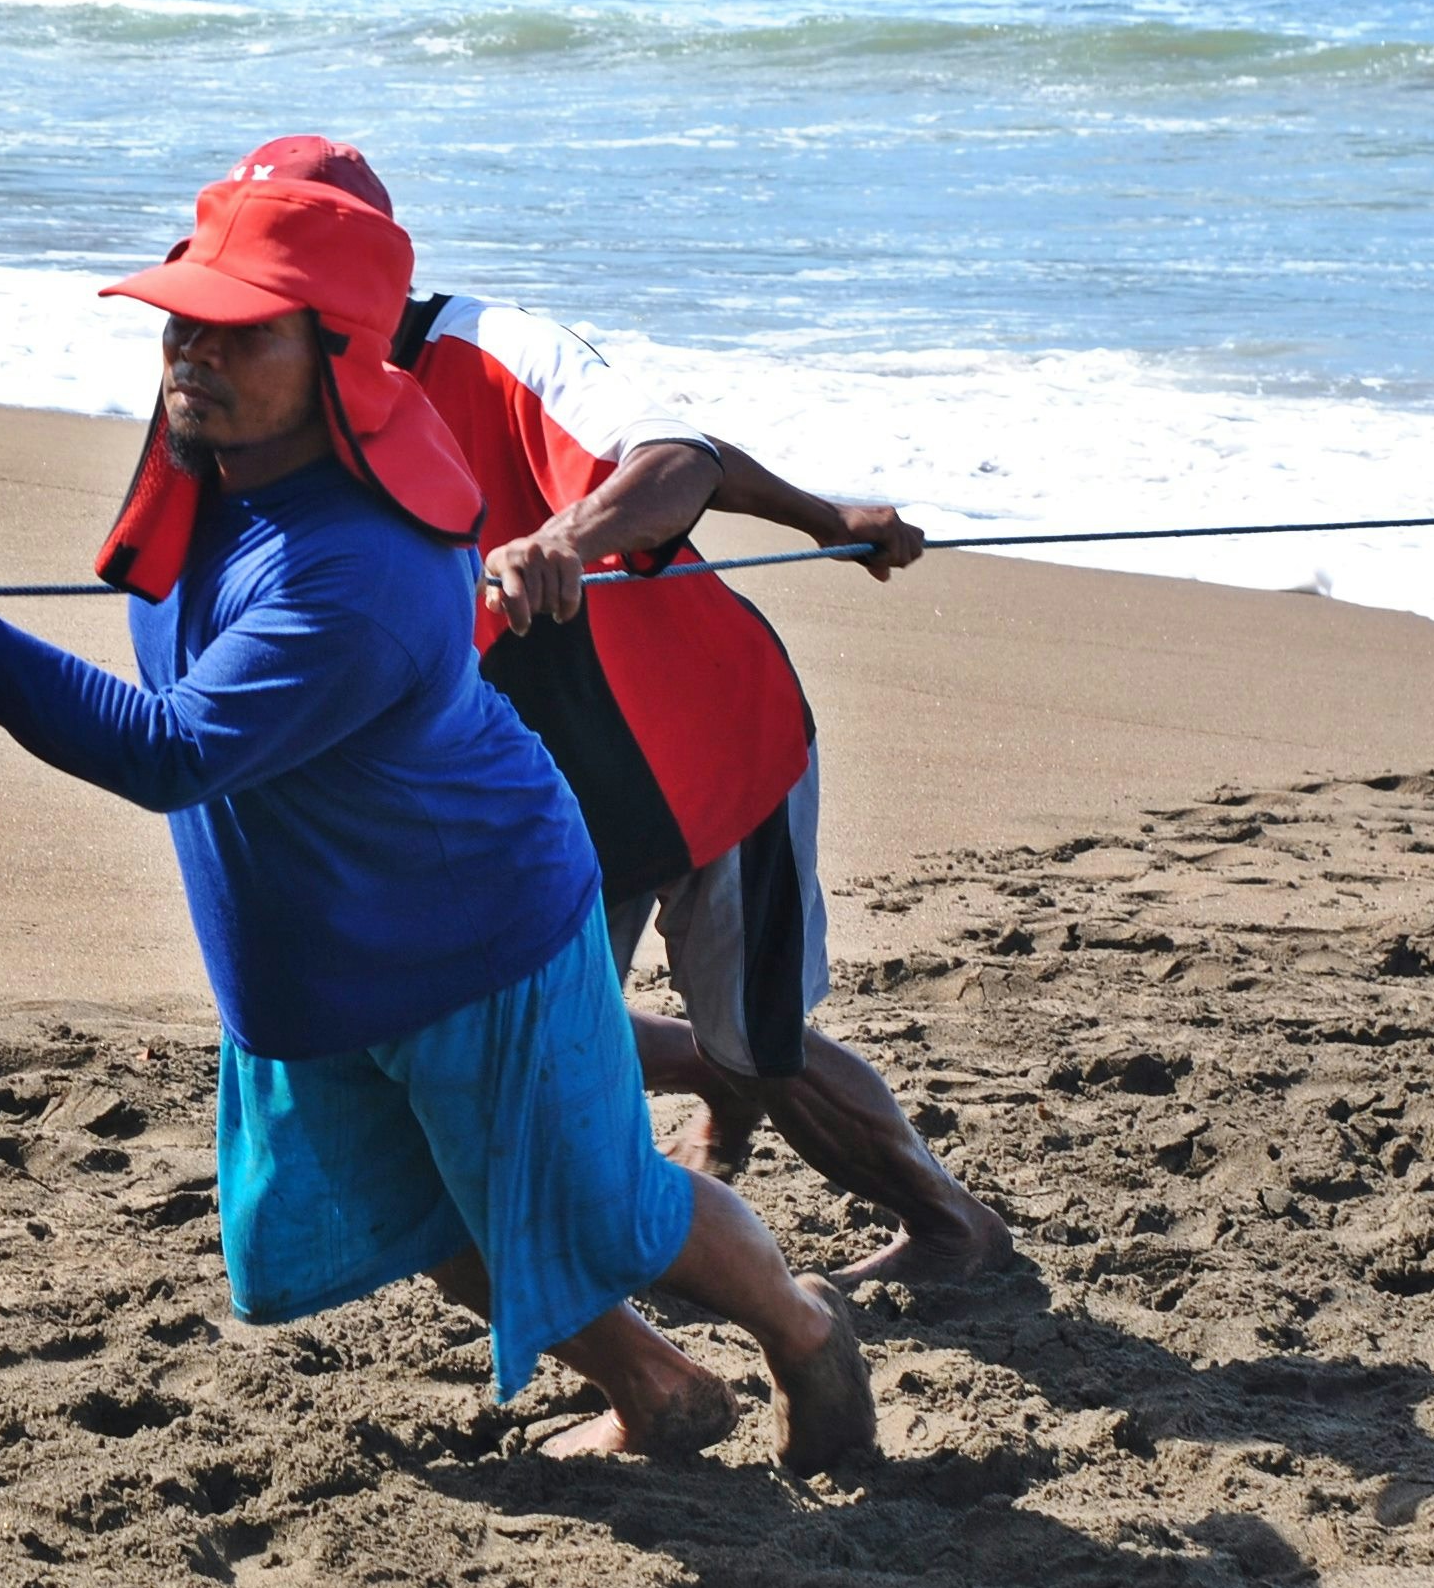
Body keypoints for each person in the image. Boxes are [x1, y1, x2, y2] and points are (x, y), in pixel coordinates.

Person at [0, 140, 875, 1477]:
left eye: (240, 333)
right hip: (316, 957)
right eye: (183, 321)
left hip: (468, 936)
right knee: (412, 1214)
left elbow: (169, 752)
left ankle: (802, 1329)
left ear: (338, 354)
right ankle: (658, 1386)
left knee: (613, 1211)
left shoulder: (360, 564)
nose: (192, 354)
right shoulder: (213, 472)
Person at [396, 262, 1015, 1286]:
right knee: (520, 1030)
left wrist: (568, 537)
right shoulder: (274, 410)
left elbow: (677, 457)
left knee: (758, 1045)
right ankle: (708, 1073)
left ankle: (953, 1228)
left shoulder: (485, 346)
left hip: (703, 750)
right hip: (536, 795)